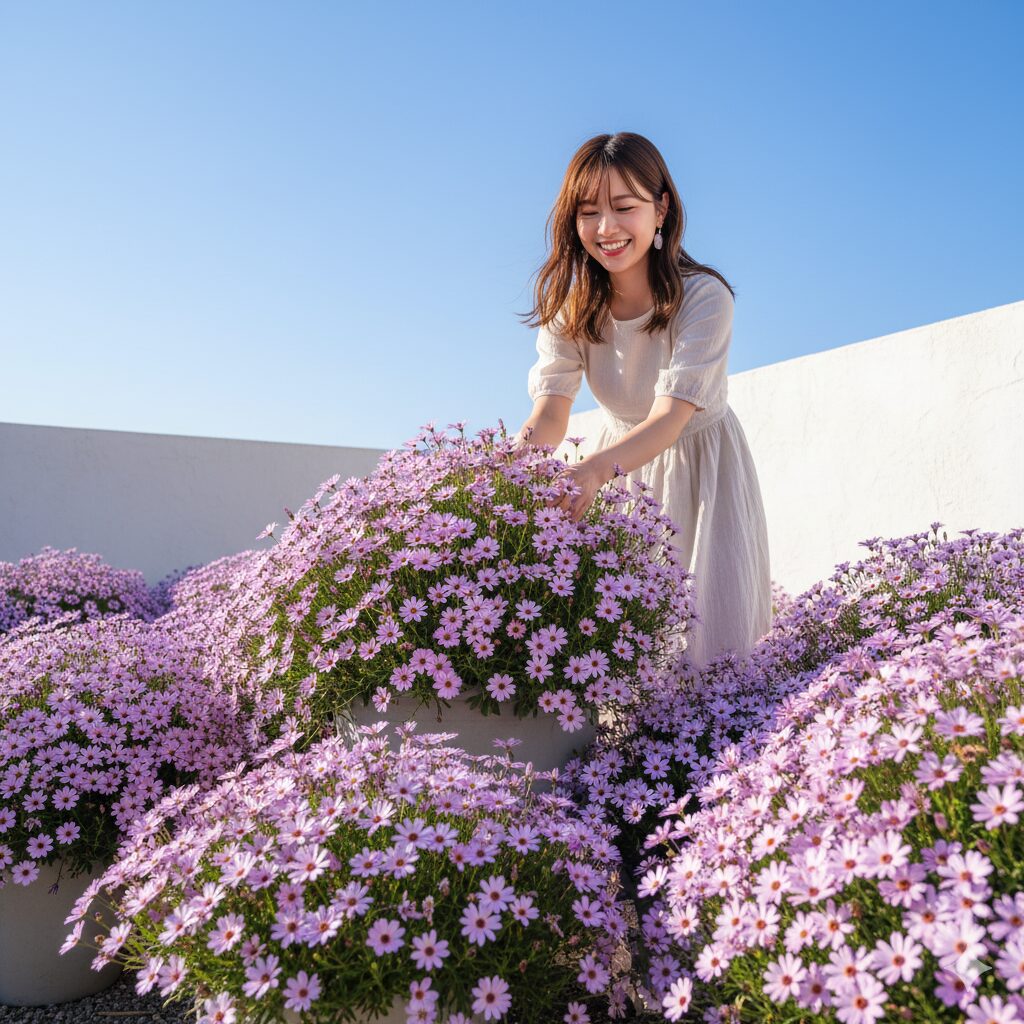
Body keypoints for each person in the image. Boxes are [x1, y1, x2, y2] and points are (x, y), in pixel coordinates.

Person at [514, 131, 772, 672]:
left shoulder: (703, 297)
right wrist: (509, 470)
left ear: (662, 209)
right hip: (616, 474)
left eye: (624, 207)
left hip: (701, 470)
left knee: (711, 648)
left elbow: (671, 417)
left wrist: (589, 473)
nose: (605, 228)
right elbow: (551, 410)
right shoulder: (571, 305)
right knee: (624, 651)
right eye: (588, 212)